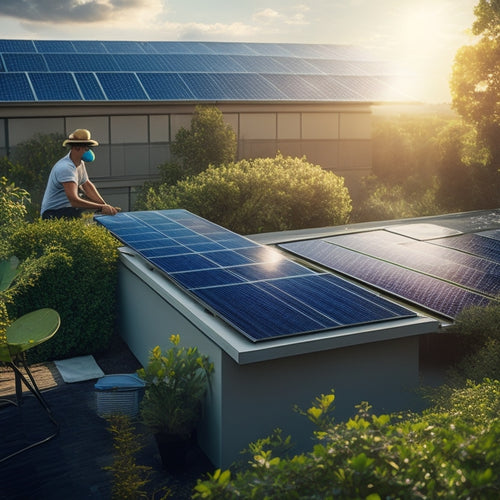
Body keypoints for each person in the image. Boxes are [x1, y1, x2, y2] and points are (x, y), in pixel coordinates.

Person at [41, 129, 118, 219]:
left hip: (68, 210)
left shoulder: (80, 163)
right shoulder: (66, 168)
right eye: (86, 148)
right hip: (53, 213)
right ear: (77, 147)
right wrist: (100, 207)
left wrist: (105, 205)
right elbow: (74, 201)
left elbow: (87, 185)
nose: (88, 150)